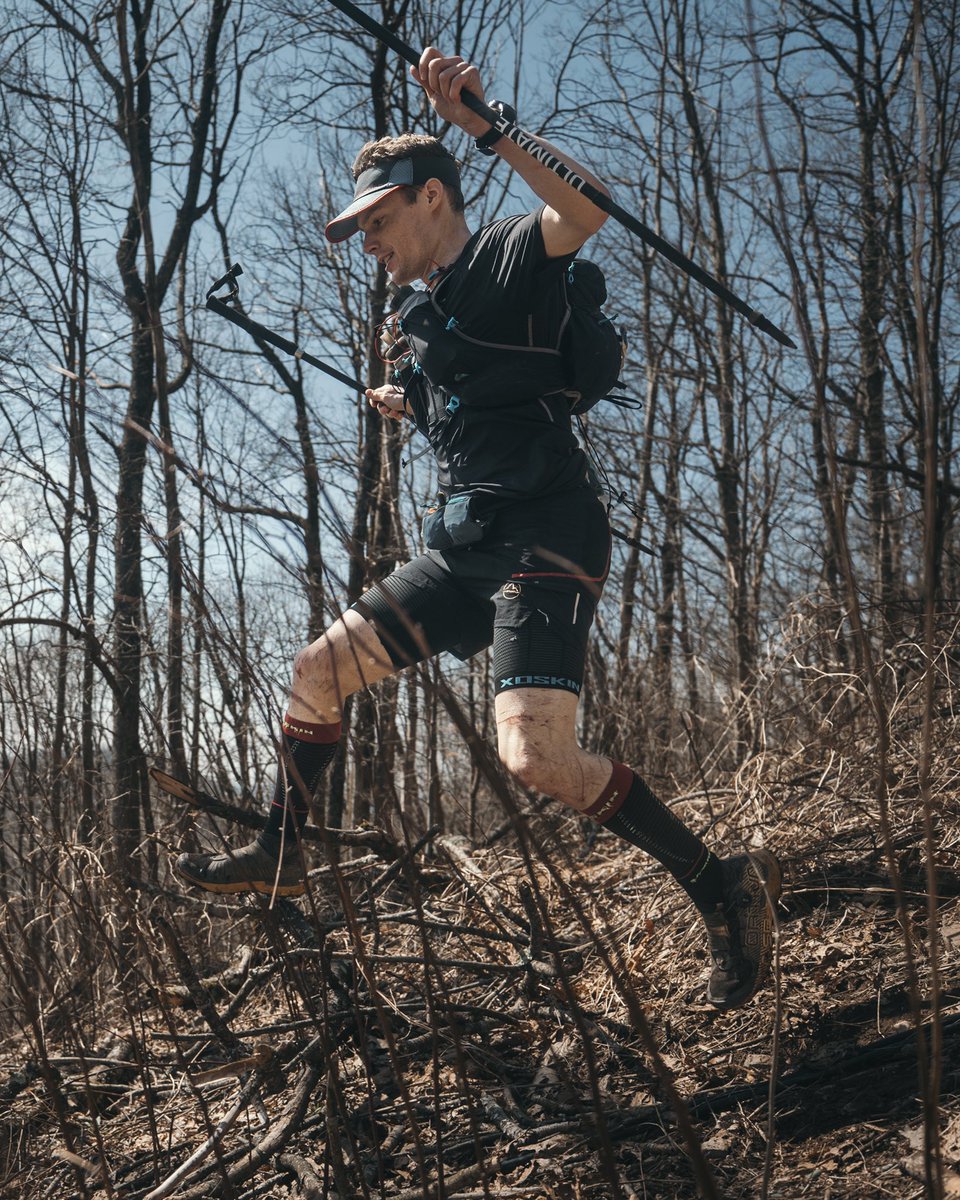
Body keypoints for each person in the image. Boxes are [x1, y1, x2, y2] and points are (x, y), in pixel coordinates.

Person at [175, 47, 781, 1011]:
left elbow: (585, 209)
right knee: (315, 672)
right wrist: (403, 398)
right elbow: (477, 397)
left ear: (429, 200)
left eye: (377, 220)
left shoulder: (508, 251)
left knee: (535, 759)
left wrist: (483, 125)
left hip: (550, 532)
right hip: (466, 544)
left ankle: (721, 883)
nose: (368, 242)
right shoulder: (420, 313)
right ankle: (284, 849)